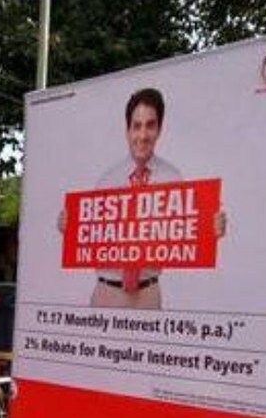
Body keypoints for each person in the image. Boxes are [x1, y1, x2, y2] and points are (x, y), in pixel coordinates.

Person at [58, 87, 226, 309]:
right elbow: (89, 236)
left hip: (148, 296)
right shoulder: (106, 181)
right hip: (105, 294)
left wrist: (210, 230)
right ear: (127, 130)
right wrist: (69, 229)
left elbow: (185, 233)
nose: (143, 136)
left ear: (160, 129)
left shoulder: (173, 179)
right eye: (136, 126)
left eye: (150, 125)